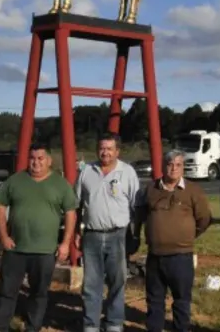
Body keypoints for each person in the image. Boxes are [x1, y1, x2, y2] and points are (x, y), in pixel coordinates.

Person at [0, 142, 78, 332]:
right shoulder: (15, 181)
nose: (36, 162)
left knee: (38, 294)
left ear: (49, 161)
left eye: (40, 158)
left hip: (45, 251)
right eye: (32, 158)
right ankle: (1, 327)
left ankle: (33, 327)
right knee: (7, 292)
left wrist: (65, 243)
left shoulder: (60, 184)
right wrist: (3, 236)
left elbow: (71, 213)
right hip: (15, 249)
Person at [132, 149, 212, 332]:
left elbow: (204, 219)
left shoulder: (193, 190)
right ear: (163, 166)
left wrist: (187, 235)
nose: (173, 168)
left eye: (178, 165)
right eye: (169, 164)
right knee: (154, 300)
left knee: (182, 301)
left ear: (183, 167)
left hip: (181, 257)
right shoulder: (151, 189)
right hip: (155, 256)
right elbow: (141, 215)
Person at [74, 132, 140, 332]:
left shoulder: (127, 173)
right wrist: (78, 232)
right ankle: (91, 324)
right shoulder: (86, 172)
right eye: (102, 148)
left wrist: (135, 235)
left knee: (117, 282)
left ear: (117, 151)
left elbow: (136, 207)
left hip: (118, 235)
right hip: (92, 235)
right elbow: (77, 205)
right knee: (91, 284)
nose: (105, 153)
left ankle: (113, 323)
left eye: (109, 149)